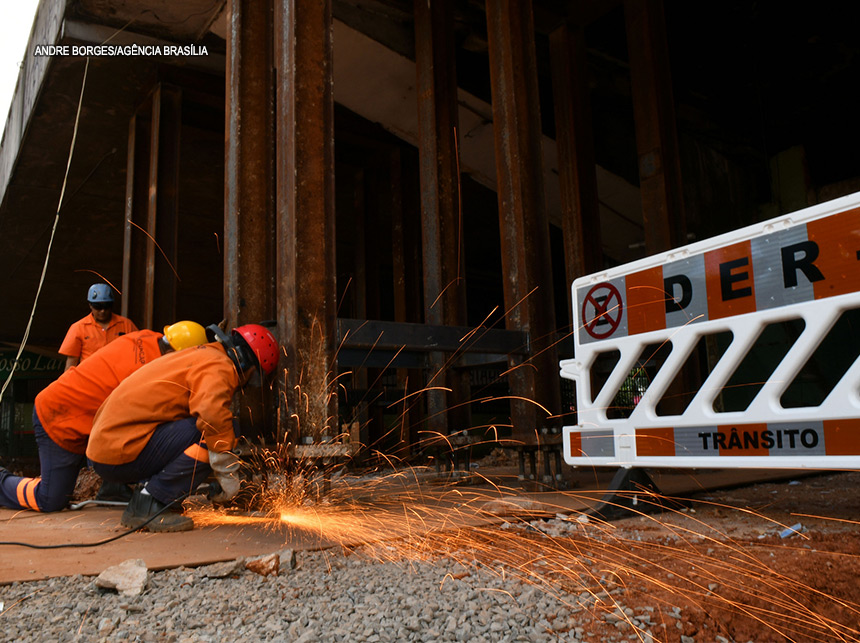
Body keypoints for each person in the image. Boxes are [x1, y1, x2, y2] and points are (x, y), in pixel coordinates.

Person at [86, 323, 278, 532]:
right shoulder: (219, 367)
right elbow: (212, 418)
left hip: (110, 447)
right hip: (117, 452)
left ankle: (156, 495)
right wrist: (229, 477)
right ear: (246, 365)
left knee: (207, 430)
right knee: (215, 429)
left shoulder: (202, 355)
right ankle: (150, 503)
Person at [0, 322, 209, 513]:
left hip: (78, 414)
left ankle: (113, 488)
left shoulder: (146, 338)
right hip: (59, 418)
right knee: (49, 499)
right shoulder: (144, 373)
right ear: (174, 352)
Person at [59, 283, 139, 371]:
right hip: (90, 379)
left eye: (106, 306)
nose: (102, 311)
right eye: (98, 307)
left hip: (120, 379)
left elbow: (139, 354)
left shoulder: (126, 325)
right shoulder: (78, 328)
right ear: (90, 305)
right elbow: (71, 364)